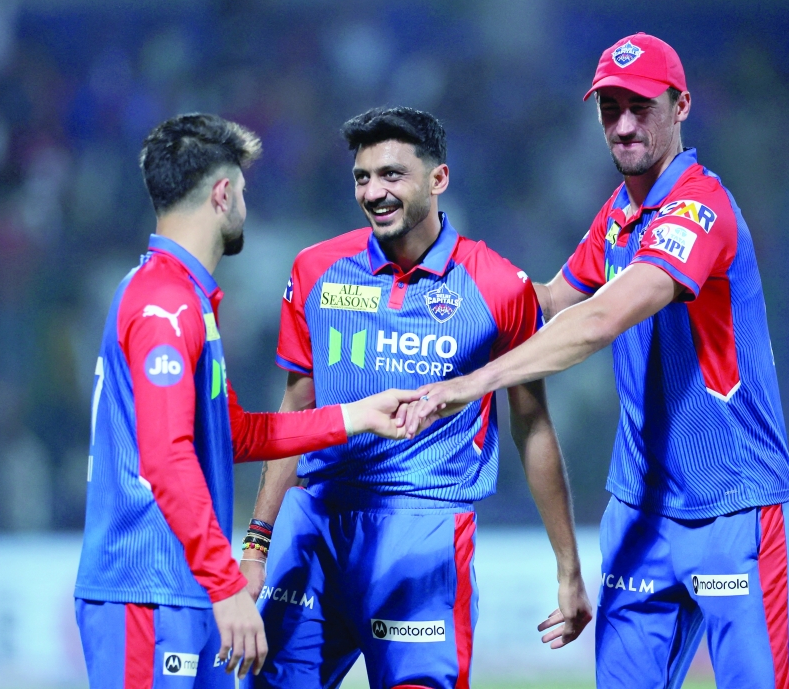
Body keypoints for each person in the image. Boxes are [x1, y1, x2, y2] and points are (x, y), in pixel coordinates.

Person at [407, 34, 789, 689]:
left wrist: (475, 381)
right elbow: (541, 303)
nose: (623, 124)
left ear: (681, 105)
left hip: (733, 504)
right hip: (641, 508)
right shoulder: (620, 216)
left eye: (640, 106)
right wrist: (436, 305)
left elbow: (596, 320)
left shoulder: (700, 209)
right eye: (609, 108)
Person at [238, 107, 592, 689]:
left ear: (439, 178)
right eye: (361, 177)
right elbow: (295, 407)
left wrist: (568, 567)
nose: (373, 192)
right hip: (315, 521)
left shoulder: (499, 286)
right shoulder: (317, 269)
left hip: (423, 530)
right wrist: (257, 542)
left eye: (392, 175)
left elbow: (532, 426)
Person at [74, 113, 420, 688]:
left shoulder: (183, 300)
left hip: (181, 589)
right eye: (244, 190)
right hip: (146, 593)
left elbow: (234, 434)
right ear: (222, 193)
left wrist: (356, 416)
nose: (244, 206)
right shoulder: (165, 307)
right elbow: (165, 458)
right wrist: (226, 582)